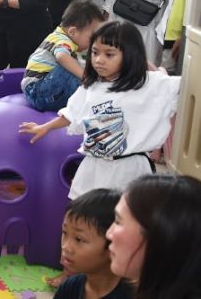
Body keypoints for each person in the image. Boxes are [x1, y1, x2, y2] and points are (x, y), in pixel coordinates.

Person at [19, 21, 180, 200]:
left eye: (109, 54)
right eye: (95, 52)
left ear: (130, 56)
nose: (98, 60)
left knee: (127, 217)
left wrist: (162, 70)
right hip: (94, 166)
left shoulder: (150, 83)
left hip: (130, 168)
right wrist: (45, 127)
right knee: (85, 215)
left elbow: (184, 85)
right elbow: (73, 113)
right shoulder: (92, 86)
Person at [21, 0, 106, 112]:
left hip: (40, 89)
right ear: (72, 32)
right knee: (69, 69)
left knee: (76, 67)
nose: (92, 43)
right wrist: (86, 77)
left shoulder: (60, 38)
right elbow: (61, 57)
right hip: (37, 91)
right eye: (91, 38)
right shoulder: (62, 41)